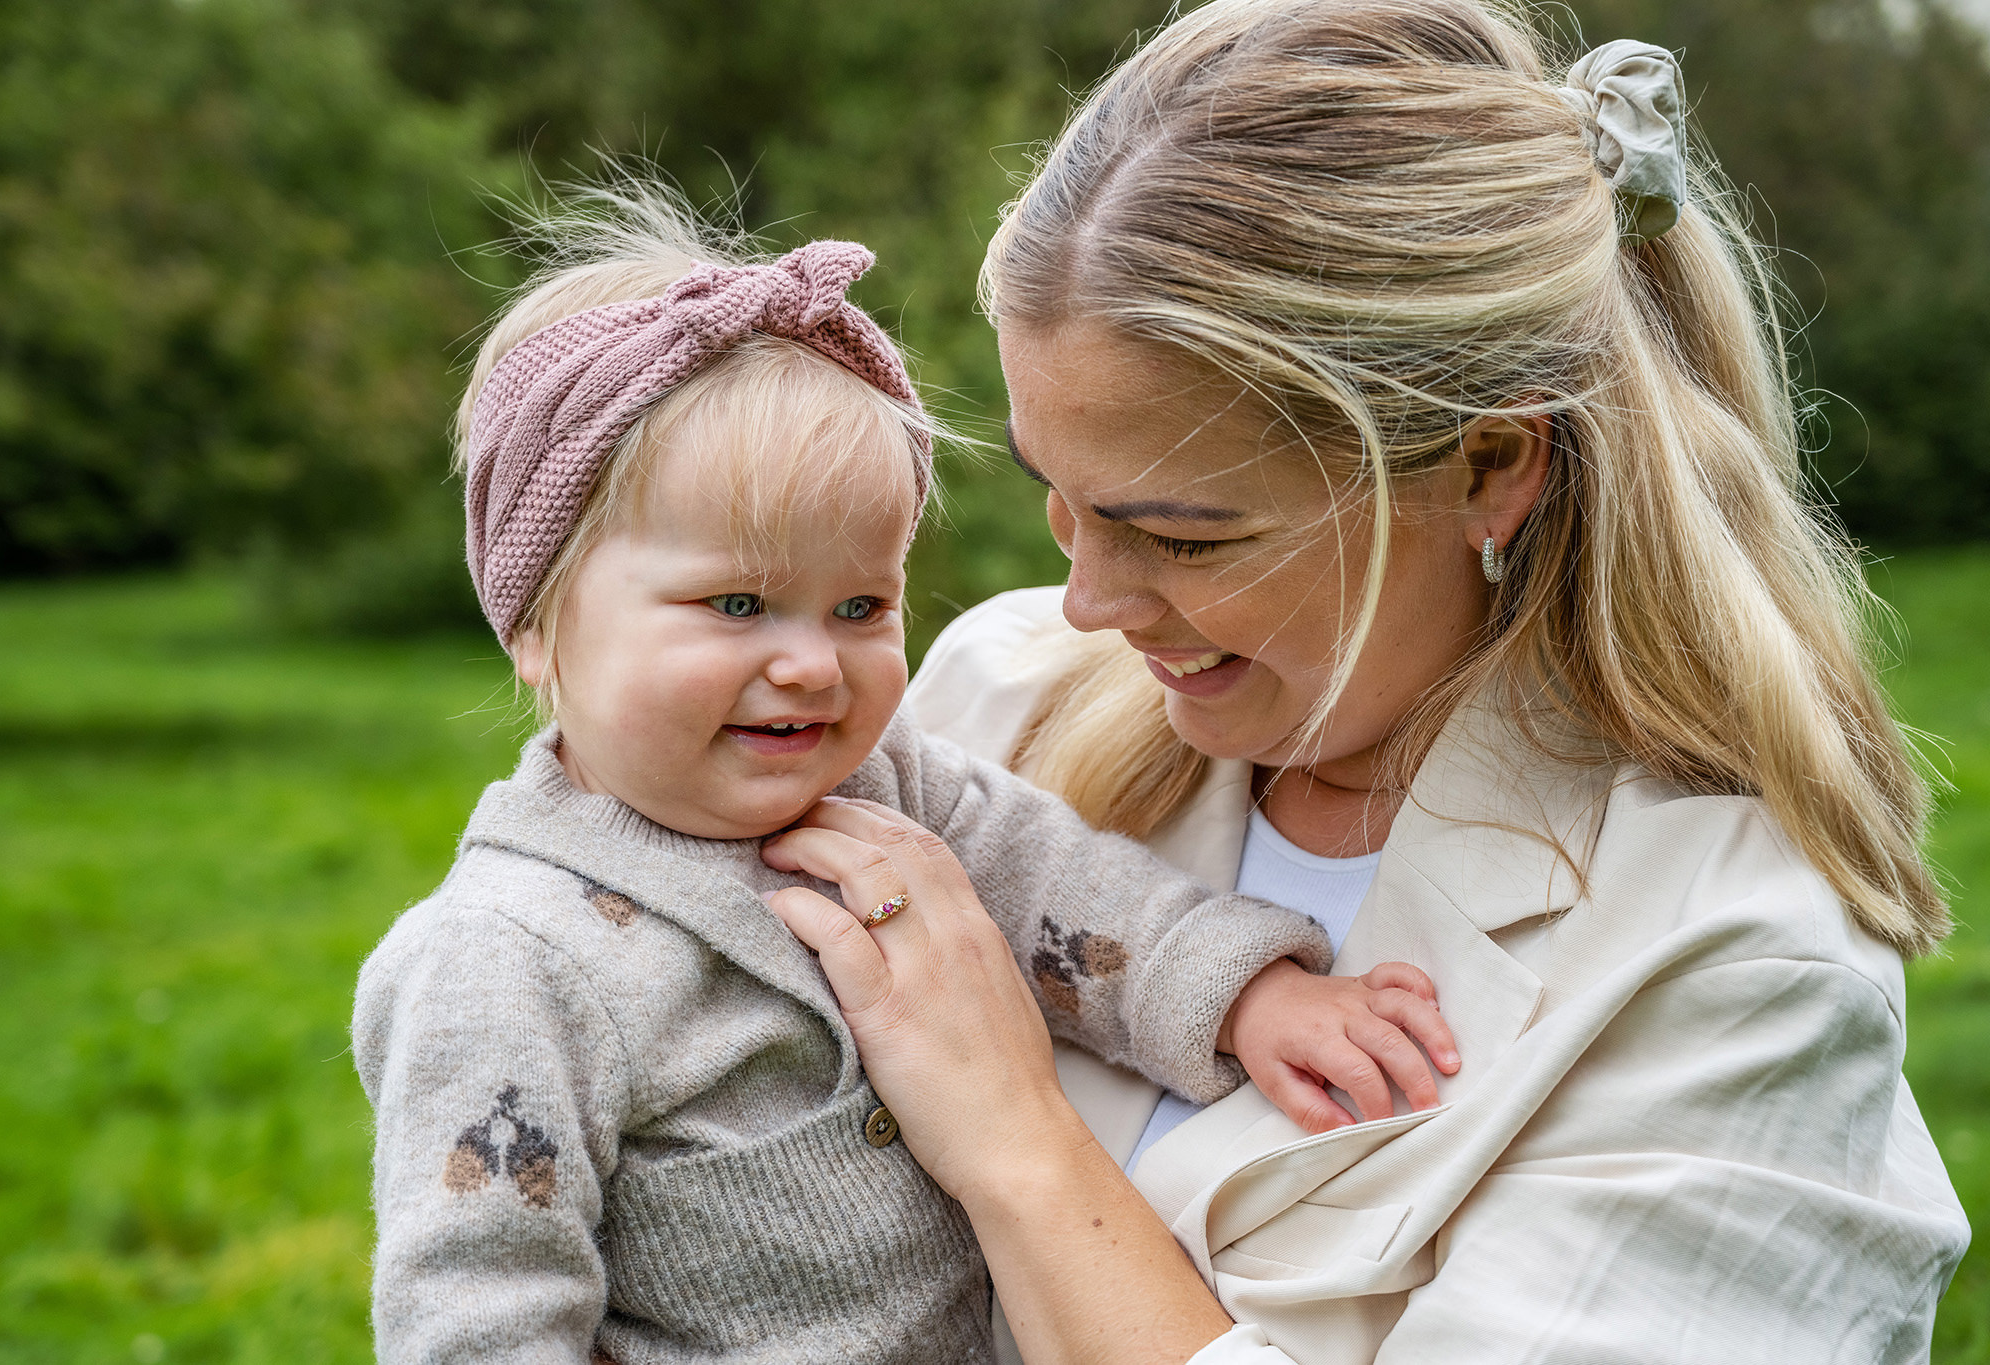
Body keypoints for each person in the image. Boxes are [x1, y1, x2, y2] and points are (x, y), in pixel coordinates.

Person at [759, 3, 1974, 1361]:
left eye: (1183, 534)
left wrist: (1017, 1148)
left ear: (1489, 465)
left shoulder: (1729, 968)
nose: (1091, 600)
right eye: (1065, 501)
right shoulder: (995, 703)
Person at [349, 187, 1459, 1364]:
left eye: (861, 605)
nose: (810, 664)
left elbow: (1066, 892)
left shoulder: (888, 787)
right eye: (736, 604)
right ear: (536, 624)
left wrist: (1247, 997)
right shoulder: (503, 961)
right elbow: (475, 1305)